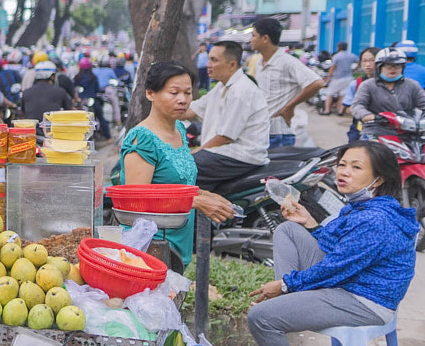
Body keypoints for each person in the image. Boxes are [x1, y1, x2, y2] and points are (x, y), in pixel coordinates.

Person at [247, 141, 418, 346]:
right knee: (289, 230)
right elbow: (334, 248)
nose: (344, 172)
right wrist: (310, 223)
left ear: (379, 179)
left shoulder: (375, 220)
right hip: (348, 284)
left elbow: (335, 268)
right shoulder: (362, 207)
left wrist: (285, 284)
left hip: (364, 299)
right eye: (342, 165)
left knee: (261, 317)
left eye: (356, 167)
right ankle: (289, 308)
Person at [113, 62, 236, 271]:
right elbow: (137, 198)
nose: (183, 100)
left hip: (178, 237)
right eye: (174, 92)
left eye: (188, 93)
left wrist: (206, 195)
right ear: (150, 94)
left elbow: (174, 182)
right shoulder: (141, 139)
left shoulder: (179, 128)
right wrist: (196, 201)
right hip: (151, 243)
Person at [187, 41, 270, 186]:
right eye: (209, 59)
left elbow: (225, 137)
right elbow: (193, 109)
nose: (208, 65)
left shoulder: (241, 90)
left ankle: (206, 207)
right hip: (223, 152)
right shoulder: (221, 87)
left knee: (180, 169)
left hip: (239, 154)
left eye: (214, 60)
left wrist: (196, 151)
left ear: (232, 65)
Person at [250, 17, 324, 148]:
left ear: (265, 38)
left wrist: (289, 107)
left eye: (253, 35)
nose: (250, 40)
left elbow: (317, 83)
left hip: (280, 134)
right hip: (262, 130)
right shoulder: (259, 64)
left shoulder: (287, 61)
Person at [351, 48, 425, 140]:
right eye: (388, 65)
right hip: (377, 132)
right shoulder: (368, 85)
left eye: (397, 65)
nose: (393, 69)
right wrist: (367, 115)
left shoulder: (412, 85)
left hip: (409, 133)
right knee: (374, 154)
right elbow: (357, 105)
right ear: (379, 67)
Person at [323, 41, 357, 116]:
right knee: (343, 95)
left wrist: (328, 79)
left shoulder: (336, 56)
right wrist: (354, 70)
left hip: (337, 78)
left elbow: (332, 67)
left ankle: (327, 110)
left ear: (339, 47)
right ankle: (340, 111)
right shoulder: (351, 55)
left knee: (329, 94)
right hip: (348, 78)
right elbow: (359, 62)